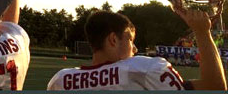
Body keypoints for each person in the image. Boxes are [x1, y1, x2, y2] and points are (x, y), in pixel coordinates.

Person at [47, 10, 227, 90]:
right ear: (113, 39)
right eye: (130, 40)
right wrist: (202, 32)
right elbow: (215, 87)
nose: (135, 48)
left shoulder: (60, 80)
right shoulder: (144, 70)